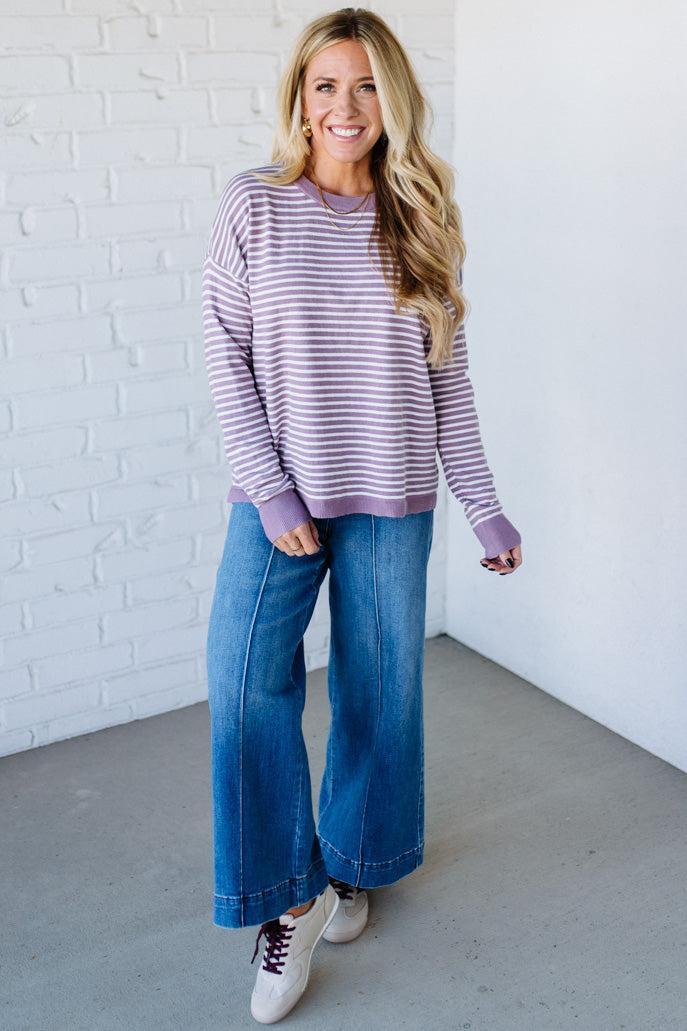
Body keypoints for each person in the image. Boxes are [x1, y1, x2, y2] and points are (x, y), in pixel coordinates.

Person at [202, 6, 523, 1023]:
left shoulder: (421, 217)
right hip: (278, 498)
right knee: (245, 681)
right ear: (301, 94)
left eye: (368, 85)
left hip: (392, 496)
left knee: (382, 695)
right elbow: (226, 355)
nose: (346, 106)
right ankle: (287, 896)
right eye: (326, 84)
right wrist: (271, 485)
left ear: (395, 98)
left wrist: (485, 508)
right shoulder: (253, 205)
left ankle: (357, 863)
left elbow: (449, 382)